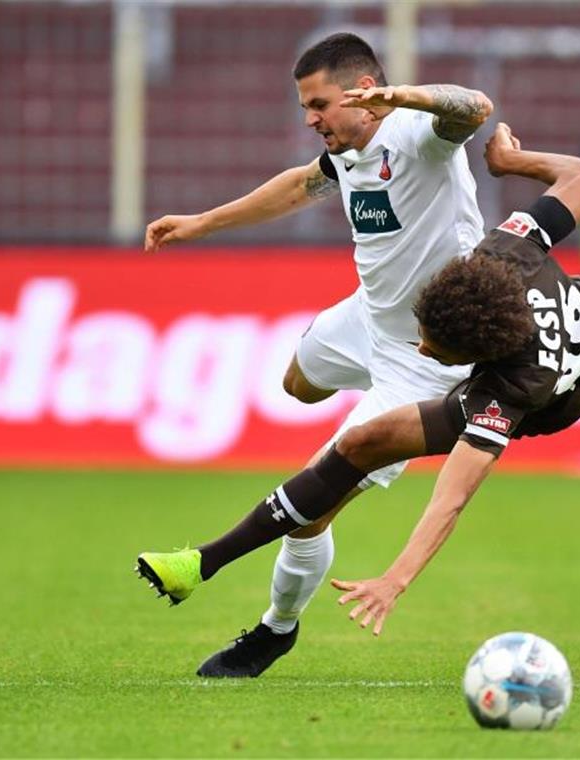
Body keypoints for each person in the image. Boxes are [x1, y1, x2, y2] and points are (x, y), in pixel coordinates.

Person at [136, 123, 580, 654]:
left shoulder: (503, 394)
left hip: (564, 389)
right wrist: (512, 159)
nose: (421, 347)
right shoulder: (502, 253)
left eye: (433, 347)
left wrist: (397, 578)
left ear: (469, 359)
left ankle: (207, 564)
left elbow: (450, 500)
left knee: (364, 444)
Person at [142, 32, 495, 676]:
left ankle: (275, 630)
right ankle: (347, 410)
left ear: (366, 94)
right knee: (296, 384)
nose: (310, 119)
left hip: (426, 359)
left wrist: (406, 96)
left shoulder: (419, 134)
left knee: (312, 506)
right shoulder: (345, 149)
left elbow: (473, 106)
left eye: (319, 105)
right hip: (368, 317)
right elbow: (301, 185)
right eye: (305, 106)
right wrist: (201, 223)